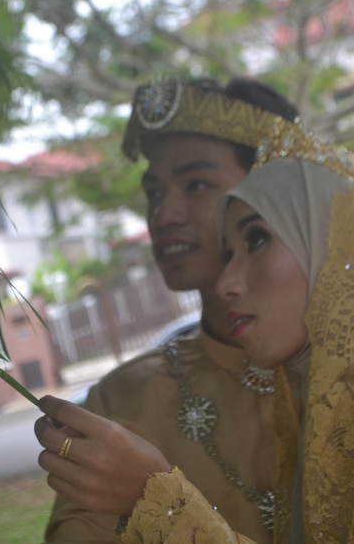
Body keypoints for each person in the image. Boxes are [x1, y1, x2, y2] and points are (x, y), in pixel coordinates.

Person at [37, 149, 354, 543]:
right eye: (228, 253)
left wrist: (157, 502)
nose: (227, 282)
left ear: (333, 242)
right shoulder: (126, 395)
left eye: (256, 239)